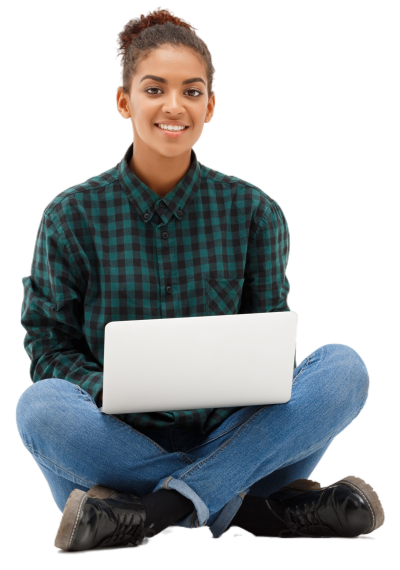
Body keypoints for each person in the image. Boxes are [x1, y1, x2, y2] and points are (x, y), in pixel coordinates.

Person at [15, 6, 385, 554]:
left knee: (343, 368)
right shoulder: (71, 214)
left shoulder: (256, 210)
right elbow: (46, 348)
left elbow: (274, 345)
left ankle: (157, 513)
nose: (174, 106)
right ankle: (255, 512)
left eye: (191, 92)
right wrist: (116, 390)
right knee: (39, 407)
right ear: (124, 102)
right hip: (115, 446)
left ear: (210, 106)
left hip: (238, 437)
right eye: (154, 89)